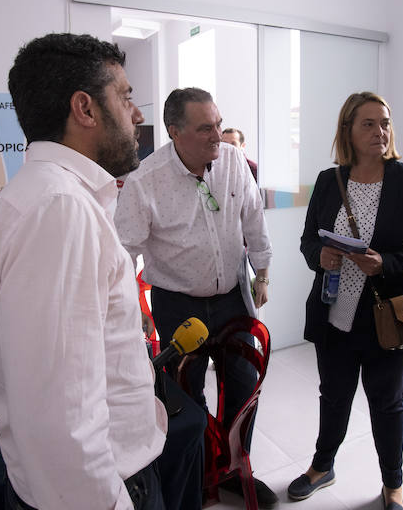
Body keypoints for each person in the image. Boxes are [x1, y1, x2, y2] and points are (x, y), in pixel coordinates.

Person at [0, 34, 168, 510]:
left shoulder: (49, 199)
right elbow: (62, 418)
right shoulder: (60, 210)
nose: (137, 115)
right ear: (85, 108)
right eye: (125, 96)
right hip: (101, 490)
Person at [114, 87, 277, 508]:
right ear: (175, 132)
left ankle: (234, 467)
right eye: (206, 128)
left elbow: (253, 216)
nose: (217, 135)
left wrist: (262, 272)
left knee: (244, 386)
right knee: (185, 398)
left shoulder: (233, 160)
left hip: (231, 298)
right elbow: (121, 255)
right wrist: (135, 309)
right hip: (177, 302)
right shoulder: (144, 182)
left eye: (219, 124)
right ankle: (201, 475)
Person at [289, 91, 403, 510]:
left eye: (385, 123)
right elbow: (307, 239)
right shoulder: (328, 180)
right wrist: (318, 255)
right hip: (334, 313)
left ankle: (392, 484)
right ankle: (323, 466)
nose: (380, 131)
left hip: (387, 318)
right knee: (334, 395)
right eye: (369, 124)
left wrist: (387, 264)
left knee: (386, 401)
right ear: (348, 131)